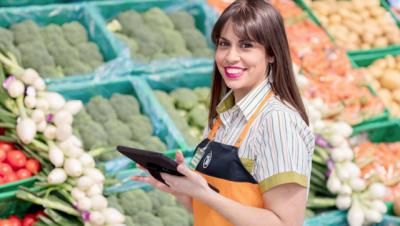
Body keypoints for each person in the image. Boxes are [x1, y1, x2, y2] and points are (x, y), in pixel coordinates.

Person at [133, 0, 315, 225]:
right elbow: (214, 213)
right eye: (224, 44)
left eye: (246, 45)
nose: (230, 56)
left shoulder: (278, 122)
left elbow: (285, 223)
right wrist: (182, 190)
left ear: (271, 54)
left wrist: (204, 193)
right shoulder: (222, 118)